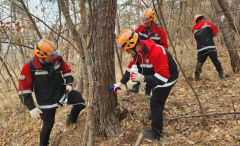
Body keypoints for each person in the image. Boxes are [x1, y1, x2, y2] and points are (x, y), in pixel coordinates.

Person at [111, 29, 178, 140]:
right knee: (155, 101)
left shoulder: (155, 51)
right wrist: (121, 83)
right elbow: (129, 69)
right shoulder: (138, 52)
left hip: (168, 77)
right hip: (158, 74)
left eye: (128, 51)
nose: (129, 53)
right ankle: (155, 114)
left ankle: (156, 134)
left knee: (156, 102)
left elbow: (162, 79)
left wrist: (143, 78)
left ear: (135, 45)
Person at [18, 39, 85, 146]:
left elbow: (67, 71)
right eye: (52, 55)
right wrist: (31, 107)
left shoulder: (57, 60)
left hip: (61, 92)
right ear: (42, 56)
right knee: (48, 125)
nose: (55, 56)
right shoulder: (30, 66)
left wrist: (69, 83)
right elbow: (23, 90)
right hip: (46, 100)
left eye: (55, 53)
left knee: (81, 103)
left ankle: (71, 118)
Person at [128, 8, 168, 96]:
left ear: (152, 20)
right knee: (136, 64)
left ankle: (149, 92)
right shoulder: (140, 29)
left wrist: (158, 53)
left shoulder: (160, 31)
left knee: (152, 72)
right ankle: (135, 86)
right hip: (142, 55)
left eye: (147, 22)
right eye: (144, 22)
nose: (145, 24)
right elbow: (132, 36)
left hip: (154, 56)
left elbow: (165, 47)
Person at [193, 14, 225, 80]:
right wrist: (210, 35)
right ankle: (221, 75)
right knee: (216, 62)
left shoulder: (194, 29)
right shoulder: (209, 23)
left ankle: (196, 78)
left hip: (201, 49)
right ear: (202, 18)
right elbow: (215, 32)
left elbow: (196, 39)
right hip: (210, 46)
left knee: (199, 63)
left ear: (196, 21)